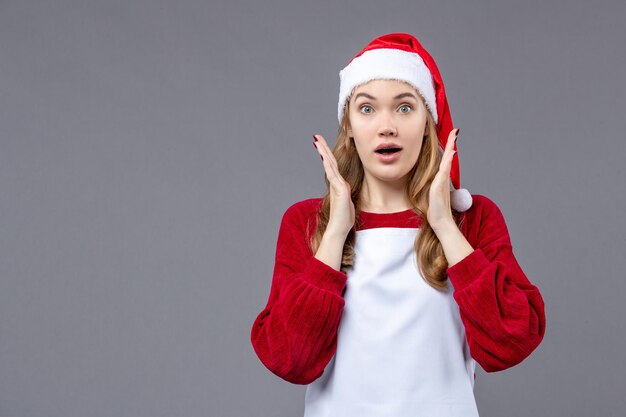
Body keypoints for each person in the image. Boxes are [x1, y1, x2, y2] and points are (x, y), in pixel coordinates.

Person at [250, 32, 546, 417]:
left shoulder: (472, 219)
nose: (386, 126)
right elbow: (289, 359)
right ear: (349, 126)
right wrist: (336, 233)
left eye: (404, 108)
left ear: (428, 123)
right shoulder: (307, 223)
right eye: (367, 109)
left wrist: (444, 225)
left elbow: (512, 343)